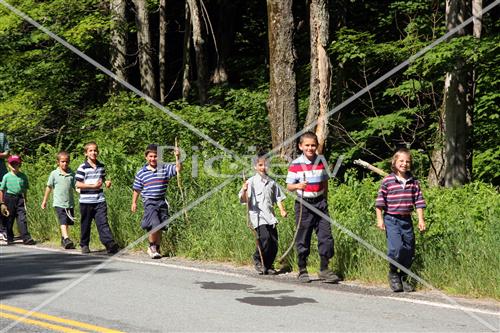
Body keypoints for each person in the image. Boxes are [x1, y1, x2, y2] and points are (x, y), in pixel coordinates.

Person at [286, 131, 339, 283]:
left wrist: (325, 199)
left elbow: (325, 181)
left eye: (313, 145)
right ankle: (302, 269)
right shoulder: (296, 164)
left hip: (320, 203)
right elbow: (289, 186)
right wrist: (298, 185)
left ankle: (324, 269)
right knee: (303, 237)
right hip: (304, 204)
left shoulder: (321, 161)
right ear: (300, 146)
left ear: (317, 146)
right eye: (307, 145)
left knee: (326, 236)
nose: (310, 148)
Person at [375, 148, 426, 292]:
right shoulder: (388, 181)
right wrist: (380, 219)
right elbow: (379, 202)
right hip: (391, 219)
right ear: (394, 162)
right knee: (396, 248)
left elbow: (419, 202)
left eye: (407, 161)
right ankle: (393, 274)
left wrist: (421, 220)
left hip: (406, 220)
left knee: (409, 249)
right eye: (401, 161)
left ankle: (403, 277)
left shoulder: (413, 182)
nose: (404, 164)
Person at [239, 152, 287, 275]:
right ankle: (257, 259)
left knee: (274, 242)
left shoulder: (272, 182)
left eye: (265, 165)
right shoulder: (250, 182)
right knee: (264, 238)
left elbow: (278, 198)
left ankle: (268, 265)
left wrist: (282, 210)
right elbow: (244, 200)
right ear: (255, 166)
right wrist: (244, 190)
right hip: (258, 217)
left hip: (270, 217)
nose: (263, 167)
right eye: (260, 165)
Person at [131, 144, 181, 259]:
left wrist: (178, 157)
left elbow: (178, 169)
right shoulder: (141, 172)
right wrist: (134, 202)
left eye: (155, 156)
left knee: (161, 226)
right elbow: (137, 189)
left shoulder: (164, 168)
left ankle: (157, 248)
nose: (153, 159)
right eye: (151, 156)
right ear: (146, 157)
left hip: (162, 201)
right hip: (149, 202)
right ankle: (151, 247)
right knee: (155, 224)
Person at [75, 142, 119, 254]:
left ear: (98, 152)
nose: (93, 152)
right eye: (90, 150)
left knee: (103, 222)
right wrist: (92, 186)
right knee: (86, 223)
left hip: (99, 200)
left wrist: (107, 183)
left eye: (95, 150)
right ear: (86, 153)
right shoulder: (82, 167)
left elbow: (103, 180)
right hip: (86, 201)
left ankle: (109, 244)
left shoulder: (101, 166)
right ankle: (84, 244)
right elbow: (78, 184)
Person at [41, 151, 77, 249]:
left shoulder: (71, 174)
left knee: (67, 223)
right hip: (59, 203)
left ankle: (63, 239)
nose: (65, 164)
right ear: (58, 162)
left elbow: (76, 187)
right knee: (63, 221)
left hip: (69, 203)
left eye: (66, 162)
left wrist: (83, 192)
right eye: (62, 162)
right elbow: (49, 187)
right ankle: (66, 238)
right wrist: (44, 201)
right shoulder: (54, 174)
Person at [0, 155, 35, 245]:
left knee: (22, 218)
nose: (15, 166)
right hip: (9, 198)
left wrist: (25, 199)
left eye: (17, 164)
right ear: (9, 165)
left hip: (20, 199)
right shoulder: (6, 177)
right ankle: (9, 236)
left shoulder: (23, 176)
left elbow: (25, 189)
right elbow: (2, 190)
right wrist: (2, 203)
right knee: (9, 219)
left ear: (20, 164)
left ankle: (26, 238)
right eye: (13, 164)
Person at [0, 132, 10, 241]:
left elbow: (7, 152)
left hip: (2, 174)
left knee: (3, 202)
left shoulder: (2, 136)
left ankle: (4, 229)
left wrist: (1, 154)